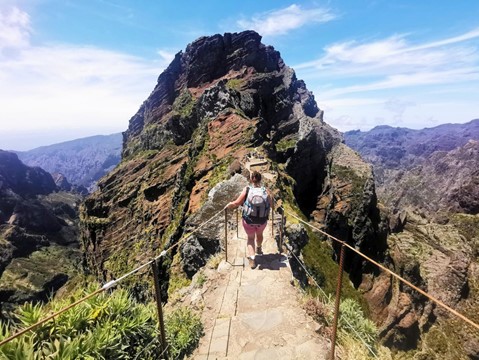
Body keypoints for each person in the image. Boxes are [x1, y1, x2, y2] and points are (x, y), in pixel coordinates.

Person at [225, 171, 272, 268]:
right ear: (260, 179)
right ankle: (259, 248)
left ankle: (252, 259)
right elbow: (272, 206)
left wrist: (229, 205)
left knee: (250, 238)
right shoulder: (266, 191)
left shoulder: (247, 189)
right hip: (262, 221)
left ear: (251, 179)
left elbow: (237, 203)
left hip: (248, 221)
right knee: (260, 235)